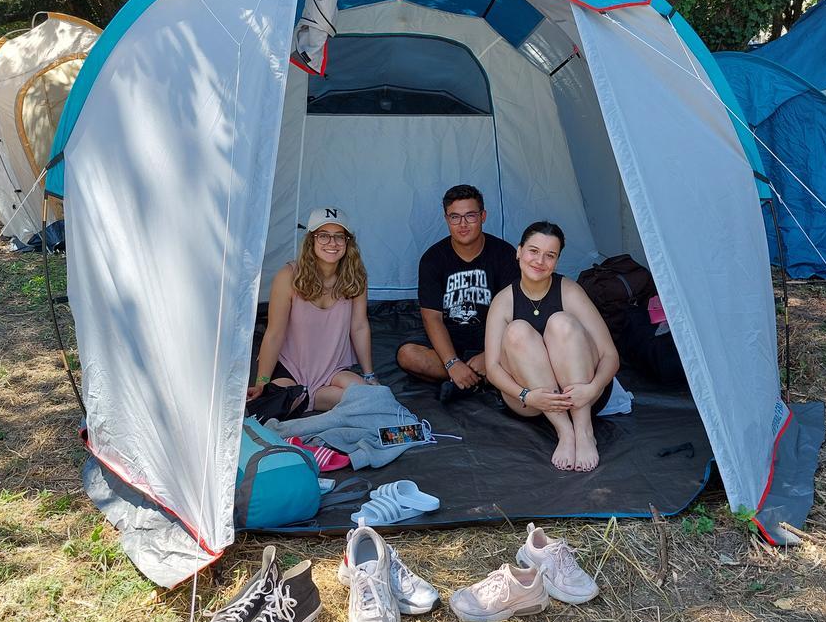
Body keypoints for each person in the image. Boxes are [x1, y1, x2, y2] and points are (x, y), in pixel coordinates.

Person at [485, 222, 619, 472]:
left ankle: (583, 430)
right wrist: (527, 395)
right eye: (533, 251)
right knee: (517, 330)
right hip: (531, 400)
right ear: (519, 252)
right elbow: (492, 368)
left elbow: (610, 354)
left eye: (550, 255)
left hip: (583, 397)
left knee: (561, 322)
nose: (540, 261)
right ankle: (565, 433)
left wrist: (593, 388)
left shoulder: (569, 291)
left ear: (557, 261)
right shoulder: (503, 301)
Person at [248, 207, 379, 411]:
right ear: (311, 240)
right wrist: (262, 383)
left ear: (347, 242)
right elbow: (274, 333)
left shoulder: (355, 276)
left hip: (333, 370)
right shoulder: (288, 275)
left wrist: (369, 375)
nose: (332, 243)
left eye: (339, 237)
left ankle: (307, 397)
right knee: (270, 405)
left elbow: (360, 326)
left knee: (369, 399)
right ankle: (305, 397)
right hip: (290, 369)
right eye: (323, 236)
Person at [396, 184, 518, 400]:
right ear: (446, 219)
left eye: (470, 216)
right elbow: (431, 317)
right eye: (455, 217)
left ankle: (466, 381)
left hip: (491, 337)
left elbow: (514, 312)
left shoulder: (504, 254)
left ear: (483, 216)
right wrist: (452, 363)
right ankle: (476, 378)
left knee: (522, 350)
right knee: (407, 355)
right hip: (451, 341)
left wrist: (489, 354)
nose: (462, 224)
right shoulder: (433, 259)